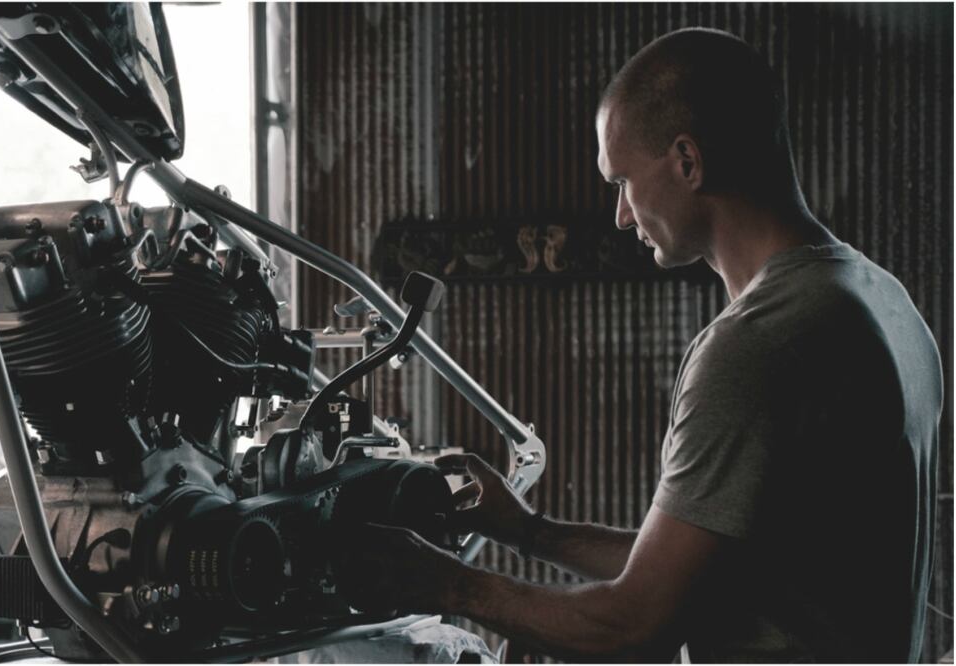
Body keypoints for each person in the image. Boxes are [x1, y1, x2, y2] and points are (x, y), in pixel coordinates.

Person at [343, 27, 942, 663]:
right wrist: (526, 531)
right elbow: (702, 562)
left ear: (688, 162)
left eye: (622, 182)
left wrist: (446, 583)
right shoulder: (883, 301)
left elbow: (632, 624)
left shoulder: (756, 345)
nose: (621, 215)